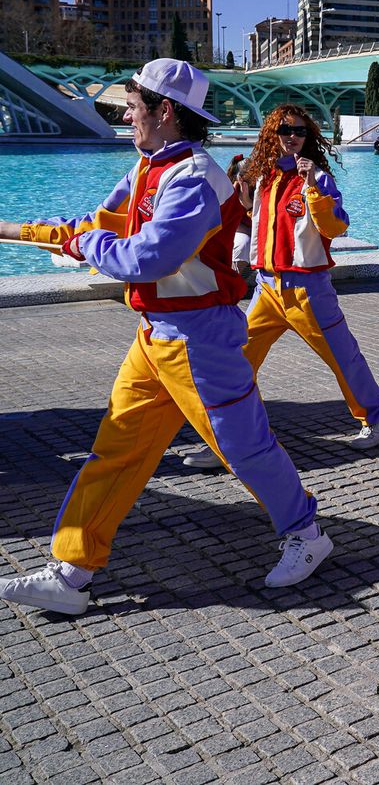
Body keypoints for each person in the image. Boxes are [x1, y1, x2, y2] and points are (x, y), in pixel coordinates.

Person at [0, 59, 331, 615]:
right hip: (155, 335)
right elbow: (100, 222)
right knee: (116, 448)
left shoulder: (196, 178)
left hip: (202, 338)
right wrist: (20, 230)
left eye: (133, 108)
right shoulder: (148, 168)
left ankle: (307, 535)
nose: (127, 118)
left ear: (165, 112)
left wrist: (84, 247)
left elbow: (148, 256)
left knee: (242, 447)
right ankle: (73, 572)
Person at [208, 105, 379, 457]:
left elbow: (336, 227)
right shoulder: (266, 178)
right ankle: (234, 432)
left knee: (343, 359)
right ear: (272, 136)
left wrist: (311, 188)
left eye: (299, 131)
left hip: (308, 290)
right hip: (266, 288)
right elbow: (264, 223)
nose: (292, 137)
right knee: (238, 360)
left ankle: (378, 416)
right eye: (284, 131)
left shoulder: (319, 178)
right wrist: (247, 203)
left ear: (308, 137)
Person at [226, 153, 252, 275]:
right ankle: (234, 277)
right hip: (236, 230)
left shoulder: (260, 189)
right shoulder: (230, 190)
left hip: (255, 229)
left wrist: (248, 204)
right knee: (243, 243)